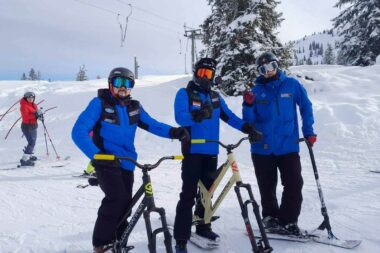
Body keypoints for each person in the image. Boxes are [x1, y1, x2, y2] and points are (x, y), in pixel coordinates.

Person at [71, 67, 189, 253]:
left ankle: (119, 241)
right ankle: (101, 244)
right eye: (118, 83)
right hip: (106, 161)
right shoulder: (99, 104)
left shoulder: (134, 107)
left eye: (128, 83)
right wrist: (97, 156)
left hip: (127, 162)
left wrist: (174, 132)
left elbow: (152, 125)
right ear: (111, 84)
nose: (123, 87)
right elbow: (78, 131)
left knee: (126, 203)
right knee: (115, 198)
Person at [173, 58, 261, 253]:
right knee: (188, 194)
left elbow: (229, 116)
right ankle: (180, 237)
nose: (205, 77)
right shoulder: (185, 93)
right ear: (195, 73)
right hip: (193, 151)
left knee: (207, 193)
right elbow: (179, 116)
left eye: (209, 74)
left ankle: (203, 227)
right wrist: (195, 116)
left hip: (211, 152)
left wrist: (247, 128)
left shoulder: (215, 97)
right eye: (202, 73)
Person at [242, 52, 317, 236]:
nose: (268, 71)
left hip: (287, 146)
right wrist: (248, 105)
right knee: (267, 186)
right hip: (262, 147)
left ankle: (288, 220)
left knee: (294, 183)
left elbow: (306, 106)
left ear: (277, 65)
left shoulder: (291, 85)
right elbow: (249, 122)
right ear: (259, 71)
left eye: (271, 66)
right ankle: (270, 217)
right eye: (263, 69)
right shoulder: (256, 91)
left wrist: (308, 131)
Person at [19, 91, 43, 166]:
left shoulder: (34, 105)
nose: (30, 98)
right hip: (27, 126)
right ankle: (24, 160)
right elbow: (26, 117)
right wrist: (35, 115)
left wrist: (40, 116)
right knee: (31, 142)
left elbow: (36, 114)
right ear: (26, 98)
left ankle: (29, 155)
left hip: (33, 126)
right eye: (29, 97)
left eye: (32, 97)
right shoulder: (24, 106)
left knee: (33, 142)